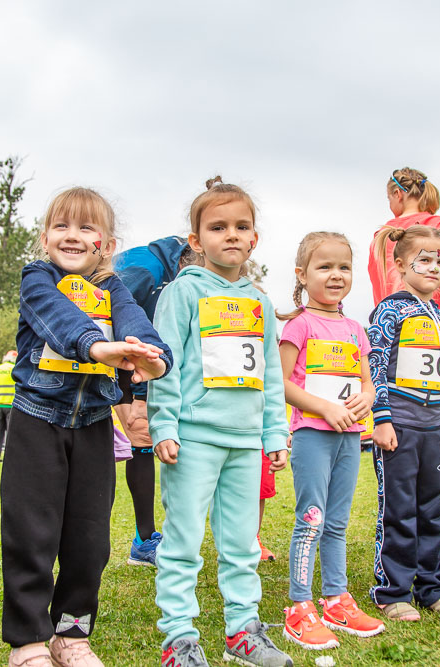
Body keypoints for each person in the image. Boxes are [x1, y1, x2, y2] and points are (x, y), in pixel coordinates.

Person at [0, 187, 170, 667]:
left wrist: (154, 358)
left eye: (85, 227)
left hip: (94, 425)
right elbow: (60, 318)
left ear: (107, 244)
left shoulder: (114, 287)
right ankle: (29, 641)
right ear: (45, 236)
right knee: (31, 534)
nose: (72, 236)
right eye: (61, 225)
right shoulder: (37, 278)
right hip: (37, 421)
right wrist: (98, 347)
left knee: (90, 539)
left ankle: (71, 634)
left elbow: (137, 320)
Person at [148, 177, 293, 667]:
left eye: (241, 226)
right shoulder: (181, 294)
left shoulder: (261, 302)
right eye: (217, 227)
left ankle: (243, 631)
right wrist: (164, 425)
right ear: (196, 240)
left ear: (254, 238)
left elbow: (271, 374)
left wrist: (275, 432)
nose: (230, 235)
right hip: (193, 440)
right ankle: (179, 638)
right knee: (183, 541)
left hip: (247, 442)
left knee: (242, 544)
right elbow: (164, 364)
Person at [277, 232, 384, 650]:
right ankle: (299, 607)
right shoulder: (299, 325)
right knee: (312, 519)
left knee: (337, 523)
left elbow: (366, 382)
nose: (336, 275)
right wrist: (324, 407)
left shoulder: (356, 328)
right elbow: (281, 384)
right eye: (325, 267)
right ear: (303, 275)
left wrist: (368, 396)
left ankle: (336, 599)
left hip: (350, 438)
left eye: (344, 267)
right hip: (312, 437)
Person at [367, 225, 440, 622]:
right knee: (399, 509)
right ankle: (392, 591)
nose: (434, 267)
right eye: (424, 260)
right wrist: (382, 418)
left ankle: (431, 588)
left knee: (432, 510)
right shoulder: (390, 309)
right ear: (401, 263)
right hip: (400, 428)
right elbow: (373, 365)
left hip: (434, 431)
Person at [112, 235, 194, 565]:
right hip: (120, 364)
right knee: (141, 434)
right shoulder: (144, 269)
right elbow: (111, 317)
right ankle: (144, 541)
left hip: (152, 363)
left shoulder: (173, 270)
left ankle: (154, 537)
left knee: (148, 437)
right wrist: (129, 395)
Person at [367, 167, 440, 311]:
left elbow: (379, 284)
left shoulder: (383, 234)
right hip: (435, 316)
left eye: (389, 199)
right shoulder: (439, 224)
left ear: (397, 194)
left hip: (393, 318)